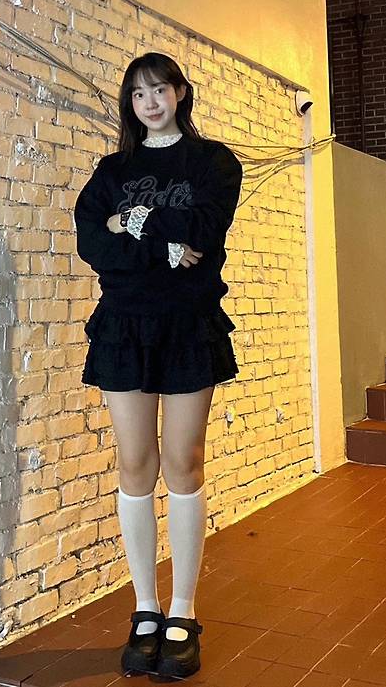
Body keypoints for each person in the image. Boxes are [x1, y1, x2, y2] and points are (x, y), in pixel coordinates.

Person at [73, 51, 243, 679]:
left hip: (188, 324)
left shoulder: (213, 162)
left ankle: (182, 611)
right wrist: (162, 244)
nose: (150, 102)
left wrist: (133, 222)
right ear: (131, 102)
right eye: (138, 93)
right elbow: (95, 244)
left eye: (160, 89)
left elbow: (206, 231)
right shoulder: (112, 170)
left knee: (183, 463)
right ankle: (145, 608)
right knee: (135, 464)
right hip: (124, 326)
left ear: (179, 93)